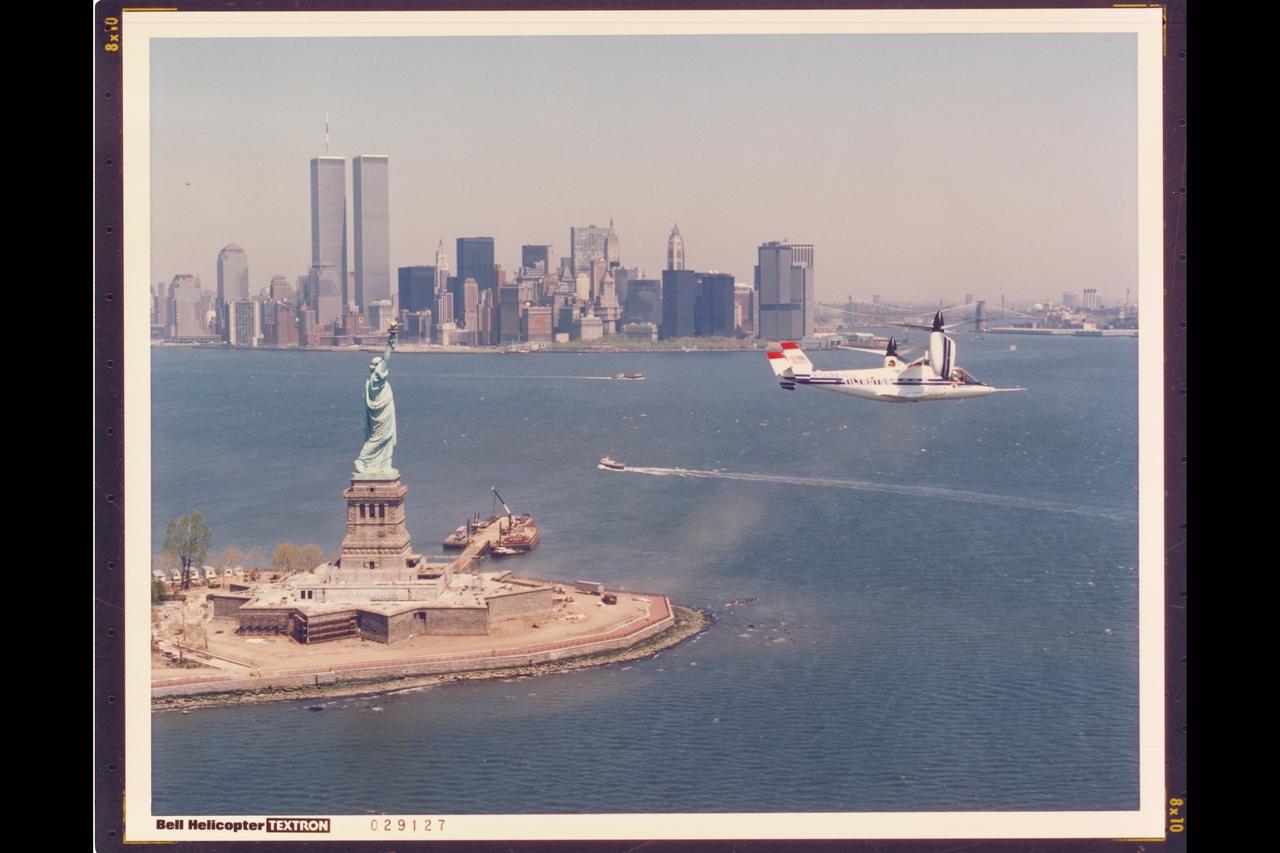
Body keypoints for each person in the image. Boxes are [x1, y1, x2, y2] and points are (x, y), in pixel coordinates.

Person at [354, 325, 398, 476]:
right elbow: (386, 359)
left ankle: (383, 466)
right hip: (381, 418)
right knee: (378, 438)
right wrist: (391, 341)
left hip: (382, 416)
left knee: (382, 439)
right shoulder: (375, 381)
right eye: (380, 366)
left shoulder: (372, 383)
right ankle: (362, 460)